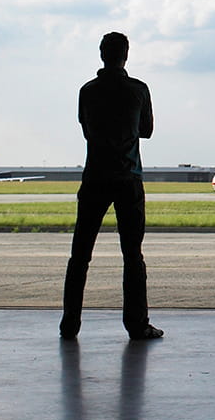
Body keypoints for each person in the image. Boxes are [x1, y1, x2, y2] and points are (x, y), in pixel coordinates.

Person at [60, 31, 162, 340]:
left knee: (80, 255)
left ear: (102, 55)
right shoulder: (138, 90)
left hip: (95, 178)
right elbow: (146, 131)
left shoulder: (87, 91)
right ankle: (137, 323)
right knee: (132, 256)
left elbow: (86, 130)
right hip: (128, 177)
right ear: (126, 55)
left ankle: (70, 324)